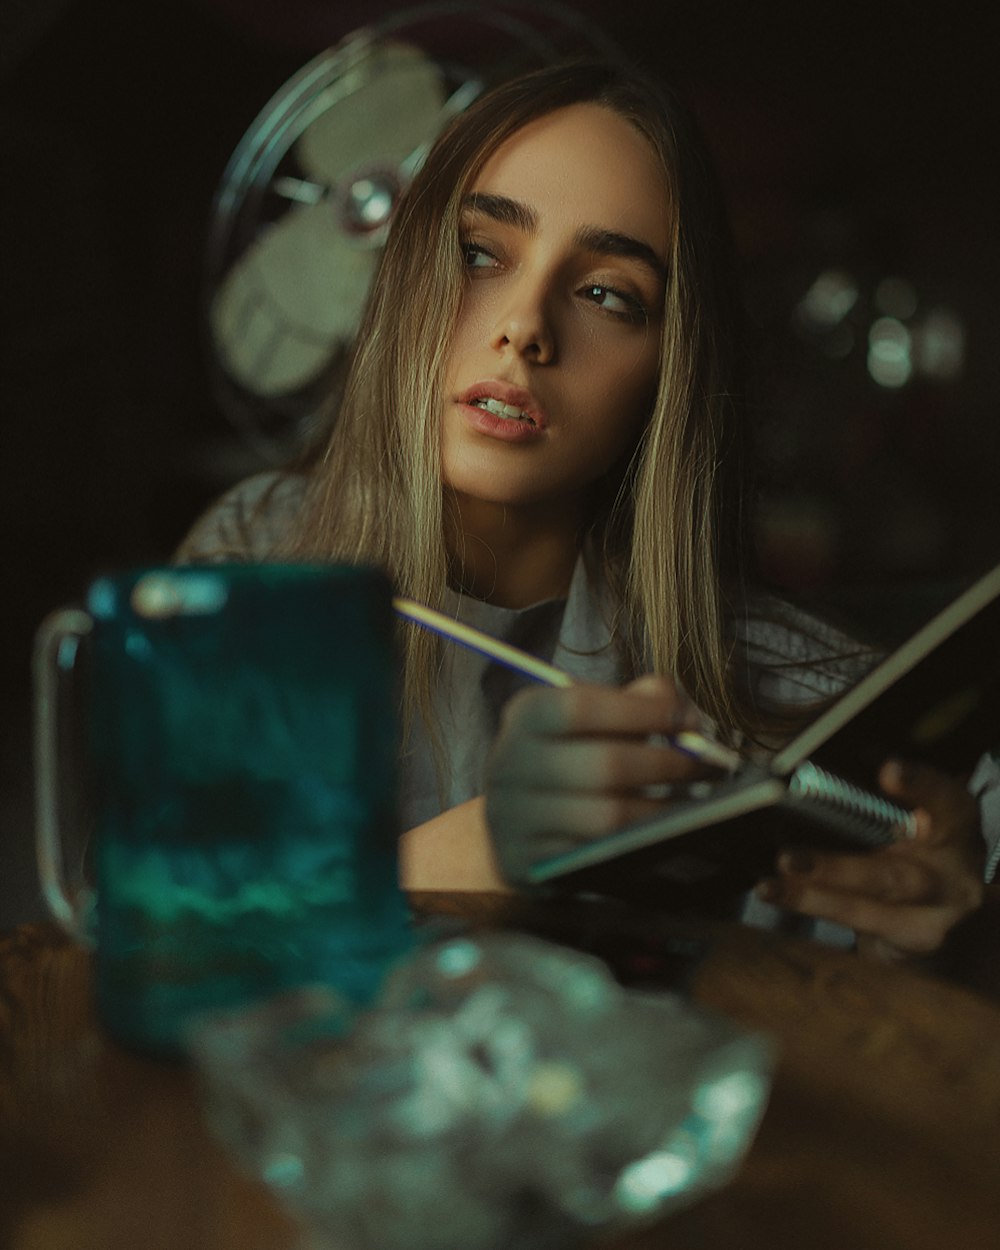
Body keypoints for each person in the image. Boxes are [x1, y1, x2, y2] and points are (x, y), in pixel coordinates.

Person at [176, 58, 997, 966]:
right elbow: (164, 937)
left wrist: (962, 936)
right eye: (480, 253)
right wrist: (488, 849)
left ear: (672, 375)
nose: (524, 327)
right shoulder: (258, 558)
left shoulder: (800, 699)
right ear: (399, 273)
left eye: (608, 294)